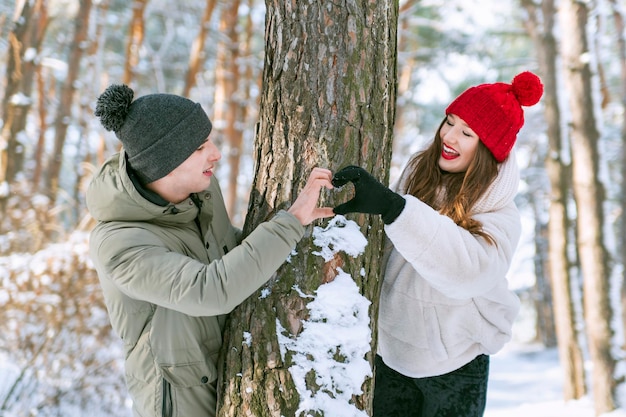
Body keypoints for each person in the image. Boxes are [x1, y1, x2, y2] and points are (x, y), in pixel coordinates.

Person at [86, 84, 334, 417]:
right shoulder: (119, 244)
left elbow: (225, 246)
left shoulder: (199, 189)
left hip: (232, 374)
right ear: (166, 163)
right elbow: (209, 290)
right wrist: (290, 222)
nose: (216, 154)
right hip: (180, 400)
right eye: (201, 147)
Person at [332, 71, 543, 417]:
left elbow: (469, 270)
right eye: (450, 121)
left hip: (456, 364)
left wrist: (395, 209)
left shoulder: (500, 212)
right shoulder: (420, 172)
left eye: (466, 132)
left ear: (489, 148)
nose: (449, 136)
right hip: (391, 354)